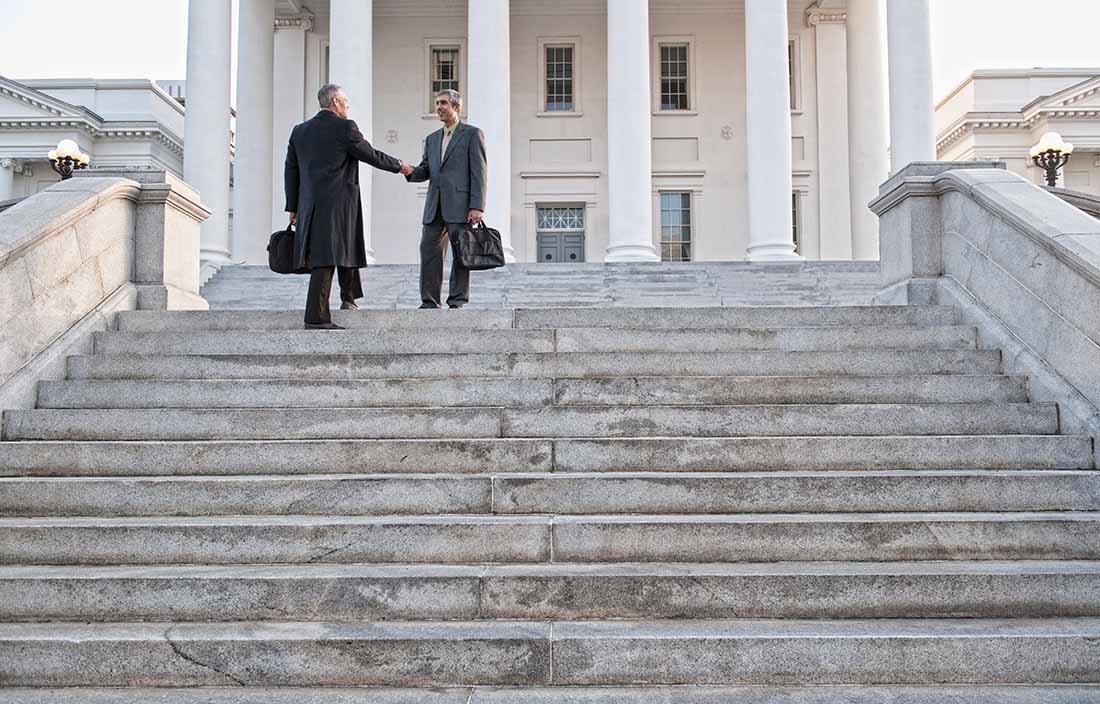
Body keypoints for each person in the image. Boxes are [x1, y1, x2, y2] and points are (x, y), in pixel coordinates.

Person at [285, 83, 413, 329]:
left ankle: (349, 297)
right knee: (325, 257)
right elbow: (371, 154)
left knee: (347, 246)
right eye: (344, 102)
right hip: (339, 204)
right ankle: (316, 318)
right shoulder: (345, 127)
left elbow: (290, 171)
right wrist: (401, 165)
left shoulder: (299, 131)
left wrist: (293, 206)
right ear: (335, 102)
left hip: (310, 204)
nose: (347, 106)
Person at [405, 89, 487, 309]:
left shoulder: (471, 134)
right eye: (437, 103)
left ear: (457, 107)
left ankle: (457, 300)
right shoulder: (431, 139)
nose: (438, 107)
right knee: (429, 252)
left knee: (461, 255)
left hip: (460, 207)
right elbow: (426, 170)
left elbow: (478, 172)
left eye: (443, 103)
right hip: (434, 207)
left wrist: (477, 206)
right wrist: (408, 171)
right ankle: (429, 302)